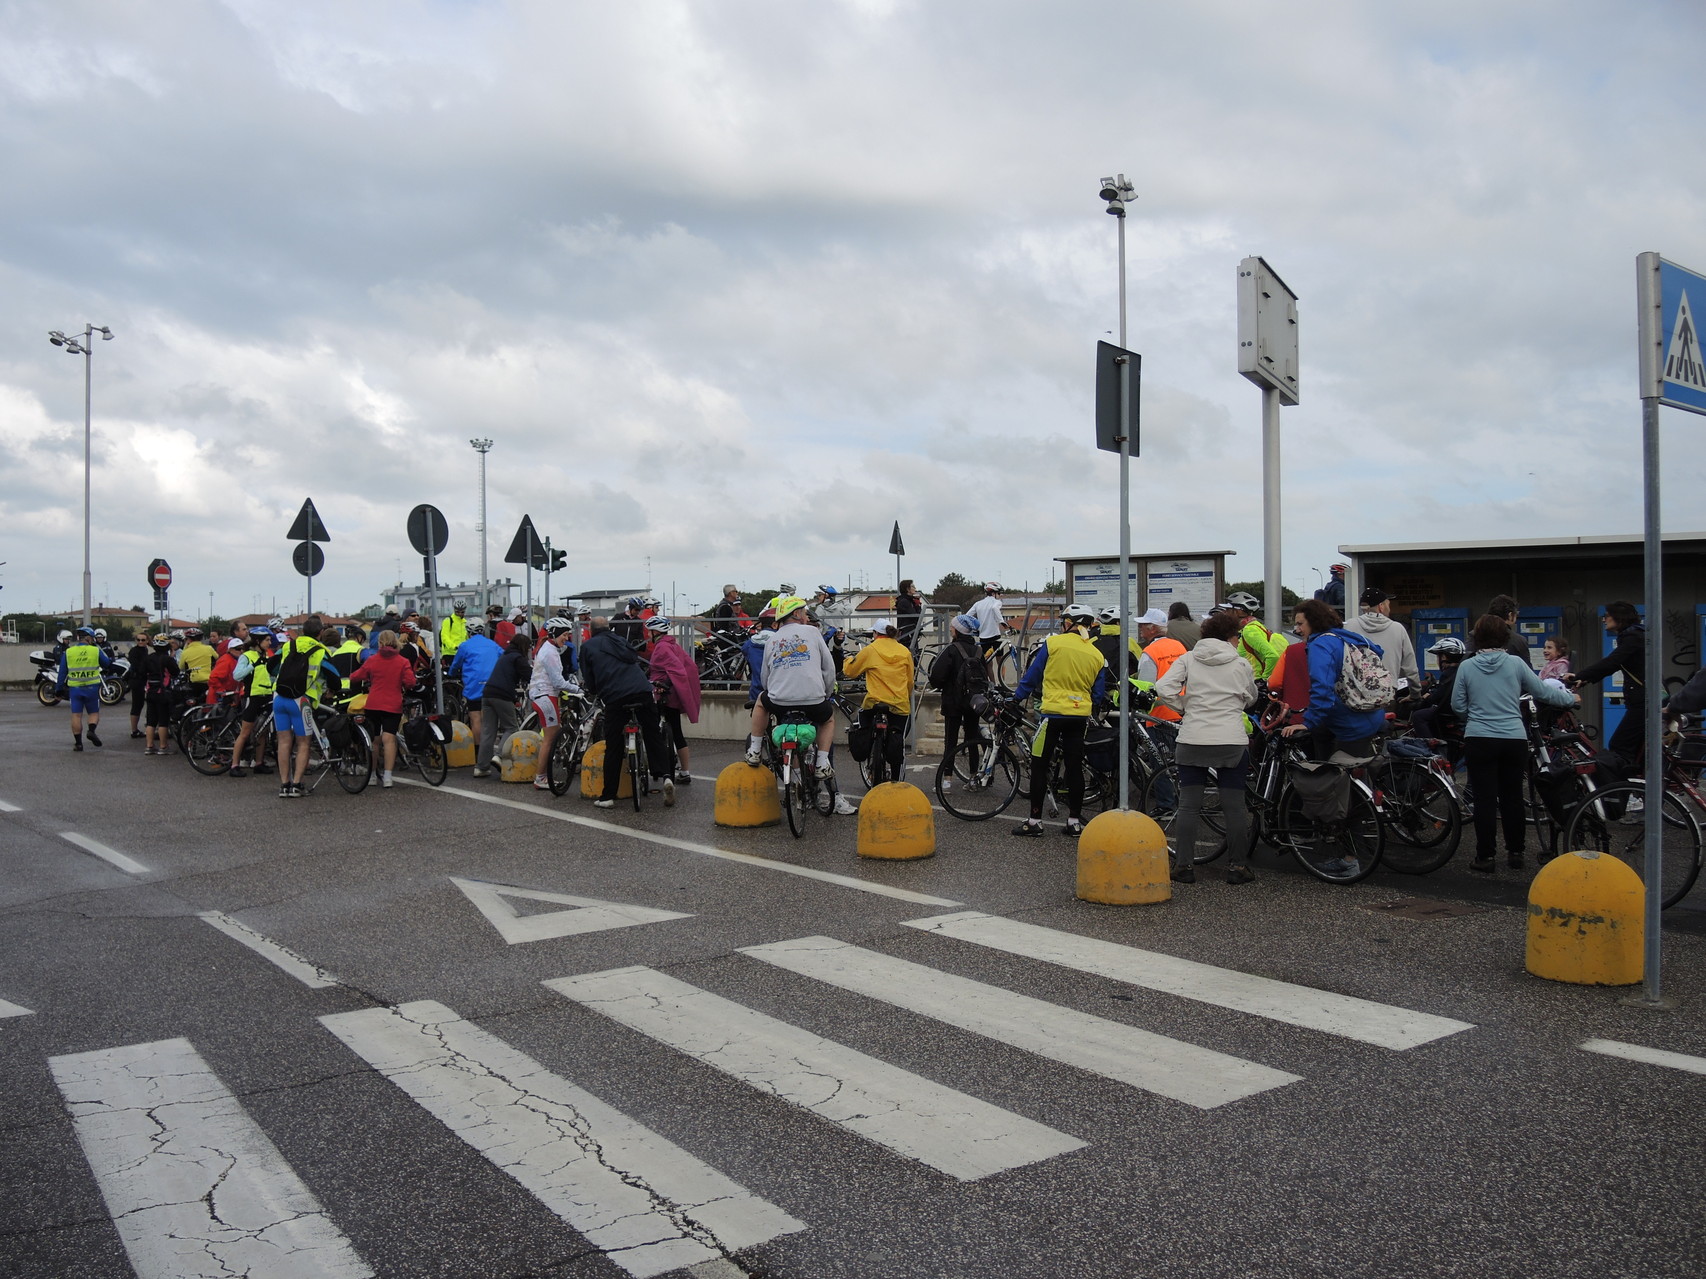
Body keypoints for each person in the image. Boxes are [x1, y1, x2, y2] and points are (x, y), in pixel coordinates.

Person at [1453, 613, 1578, 872]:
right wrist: (1570, 700)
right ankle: (1516, 853)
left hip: (1479, 738)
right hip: (1513, 738)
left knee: (1485, 799)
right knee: (1512, 796)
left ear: (1477, 639)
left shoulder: (1466, 666)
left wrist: (1472, 717)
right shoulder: (1515, 664)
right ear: (1504, 638)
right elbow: (1542, 691)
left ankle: (1485, 857)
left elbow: (1457, 705)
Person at [1154, 609, 1259, 885]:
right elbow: (1250, 697)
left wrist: (1184, 706)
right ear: (1229, 636)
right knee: (1234, 807)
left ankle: (1184, 867)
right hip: (1231, 741)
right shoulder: (1240, 664)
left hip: (1192, 738)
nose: (1238, 640)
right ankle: (1237, 868)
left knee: (1188, 806)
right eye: (1237, 636)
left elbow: (1163, 687)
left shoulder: (1188, 659)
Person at [1009, 602, 1107, 838]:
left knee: (1039, 765)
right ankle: (1074, 822)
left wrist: (1016, 699)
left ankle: (1034, 821)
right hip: (1079, 717)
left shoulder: (1053, 644)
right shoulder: (1096, 654)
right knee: (1074, 768)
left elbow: (1032, 676)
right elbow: (1098, 694)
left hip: (1052, 715)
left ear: (1070, 622)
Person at [745, 597, 852, 811]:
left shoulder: (772, 640)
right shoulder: (813, 633)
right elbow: (829, 669)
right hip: (813, 699)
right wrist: (826, 692)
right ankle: (822, 762)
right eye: (803, 612)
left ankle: (754, 750)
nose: (805, 616)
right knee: (828, 719)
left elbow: (765, 677)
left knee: (760, 703)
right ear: (795, 615)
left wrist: (775, 691)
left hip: (780, 700)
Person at [580, 615, 674, 807]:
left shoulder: (588, 647)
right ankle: (665, 776)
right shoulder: (621, 641)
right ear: (609, 628)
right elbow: (634, 658)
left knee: (613, 745)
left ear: (592, 630)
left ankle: (608, 796)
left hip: (615, 696)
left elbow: (589, 679)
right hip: (641, 690)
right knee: (652, 733)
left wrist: (594, 689)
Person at [270, 616, 344, 798]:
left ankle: (284, 784)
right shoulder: (320, 650)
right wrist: (332, 689)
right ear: (320, 633)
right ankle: (296, 785)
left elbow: (271, 665)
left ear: (302, 631)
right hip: (301, 700)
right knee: (303, 742)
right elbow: (334, 677)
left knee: (284, 741)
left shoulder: (289, 645)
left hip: (279, 697)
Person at [1567, 601, 1646, 766]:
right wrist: (1584, 679)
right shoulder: (1634, 636)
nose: (1604, 620)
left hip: (1644, 702)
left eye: (1607, 616)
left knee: (1620, 745)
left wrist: (1579, 675)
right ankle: (1641, 785)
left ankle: (1625, 787)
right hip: (1644, 700)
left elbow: (1612, 661)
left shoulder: (1633, 637)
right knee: (1639, 747)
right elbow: (1615, 665)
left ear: (1619, 617)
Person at [844, 622, 915, 786]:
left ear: (876, 634)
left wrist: (848, 660)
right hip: (899, 704)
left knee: (861, 720)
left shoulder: (870, 650)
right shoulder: (904, 652)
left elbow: (850, 671)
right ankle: (897, 779)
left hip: (875, 703)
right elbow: (910, 681)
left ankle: (867, 750)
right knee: (899, 739)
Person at [347, 630, 418, 788]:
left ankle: (372, 775)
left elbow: (356, 676)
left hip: (373, 704)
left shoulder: (373, 660)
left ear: (379, 643)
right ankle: (388, 777)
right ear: (395, 642)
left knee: (374, 741)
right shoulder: (402, 661)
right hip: (393, 705)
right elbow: (410, 682)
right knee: (389, 739)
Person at [928, 614, 987, 793]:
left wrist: (941, 685)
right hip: (973, 702)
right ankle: (973, 778)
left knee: (951, 741)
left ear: (958, 630)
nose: (951, 630)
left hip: (953, 702)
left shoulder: (951, 649)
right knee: (972, 739)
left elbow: (936, 676)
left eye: (952, 627)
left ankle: (946, 781)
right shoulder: (979, 651)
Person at [644, 615, 702, 784]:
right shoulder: (672, 644)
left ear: (656, 631)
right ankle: (685, 772)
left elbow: (676, 670)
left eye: (649, 632)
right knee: (677, 732)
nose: (648, 635)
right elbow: (686, 666)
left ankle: (658, 767)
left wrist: (664, 683)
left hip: (663, 693)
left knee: (652, 730)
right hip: (675, 693)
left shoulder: (662, 647)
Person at [1343, 587, 1419, 698]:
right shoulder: (1398, 629)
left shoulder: (1348, 626)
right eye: (1388, 604)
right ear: (1381, 607)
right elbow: (1410, 667)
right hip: (1386, 694)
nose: (1389, 608)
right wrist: (1415, 694)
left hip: (1355, 695)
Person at [228, 627, 277, 777]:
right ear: (258, 641)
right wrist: (252, 666)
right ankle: (234, 765)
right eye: (267, 640)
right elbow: (237, 675)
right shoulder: (247, 656)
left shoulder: (267, 655)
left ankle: (259, 763)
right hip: (252, 697)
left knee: (262, 732)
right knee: (245, 732)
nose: (270, 642)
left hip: (267, 695)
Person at [1410, 637, 1467, 764]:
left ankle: (1432, 750)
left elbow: (1439, 696)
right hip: (1456, 710)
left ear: (1445, 657)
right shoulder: (1461, 671)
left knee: (1418, 716)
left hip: (1447, 711)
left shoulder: (1449, 673)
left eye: (1438, 656)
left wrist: (1426, 698)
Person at [56, 626, 113, 750]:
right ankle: (91, 730)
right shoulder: (95, 650)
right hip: (92, 688)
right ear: (88, 638)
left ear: (78, 638)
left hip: (75, 689)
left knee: (76, 715)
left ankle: (78, 743)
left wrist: (59, 689)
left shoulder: (69, 652)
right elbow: (107, 663)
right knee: (93, 713)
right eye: (92, 638)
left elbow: (62, 673)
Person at [449, 618, 503, 748]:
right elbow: (503, 656)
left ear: (468, 631)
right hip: (493, 685)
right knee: (488, 720)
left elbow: (455, 665)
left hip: (474, 686)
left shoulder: (465, 646)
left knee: (476, 719)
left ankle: (478, 750)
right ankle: (489, 748)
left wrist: (451, 673)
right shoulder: (493, 644)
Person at [1221, 594, 1281, 681]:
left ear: (1239, 611)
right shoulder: (1250, 627)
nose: (1225, 613)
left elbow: (1273, 656)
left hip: (1255, 683)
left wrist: (1263, 680)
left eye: (1228, 609)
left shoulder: (1250, 630)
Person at [141, 633, 178, 757]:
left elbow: (142, 672)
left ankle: (149, 746)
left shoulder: (148, 658)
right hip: (163, 692)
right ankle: (163, 746)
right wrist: (172, 656)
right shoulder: (167, 659)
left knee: (151, 721)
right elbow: (175, 672)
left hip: (150, 691)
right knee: (163, 720)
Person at [1483, 594, 1530, 662]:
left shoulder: (1474, 635)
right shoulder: (1518, 641)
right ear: (1510, 615)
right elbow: (1526, 670)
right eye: (1516, 614)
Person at [127, 629, 152, 738]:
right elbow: (137, 666)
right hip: (137, 680)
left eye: (143, 640)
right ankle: (134, 730)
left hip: (144, 679)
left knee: (141, 704)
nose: (140, 642)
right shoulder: (134, 651)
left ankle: (137, 729)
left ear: (147, 641)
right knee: (137, 704)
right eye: (138, 640)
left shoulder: (146, 650)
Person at [178, 627, 216, 692]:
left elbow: (181, 667)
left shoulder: (185, 652)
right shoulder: (209, 648)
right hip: (208, 679)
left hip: (194, 681)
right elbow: (217, 658)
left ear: (189, 640)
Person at [896, 579, 924, 649]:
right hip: (906, 634)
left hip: (910, 632)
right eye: (913, 586)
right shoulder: (904, 601)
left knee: (914, 653)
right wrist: (918, 606)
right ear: (907, 589)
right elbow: (915, 616)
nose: (915, 588)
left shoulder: (909, 600)